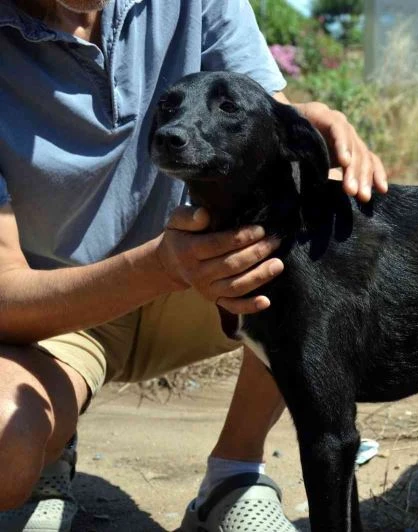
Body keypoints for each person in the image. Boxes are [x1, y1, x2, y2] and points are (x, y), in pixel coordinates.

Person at [0, 1, 388, 531]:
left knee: (306, 238)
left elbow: (258, 113)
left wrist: (306, 129)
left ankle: (234, 475)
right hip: (58, 315)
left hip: (204, 280)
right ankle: (50, 449)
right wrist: (162, 267)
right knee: (4, 442)